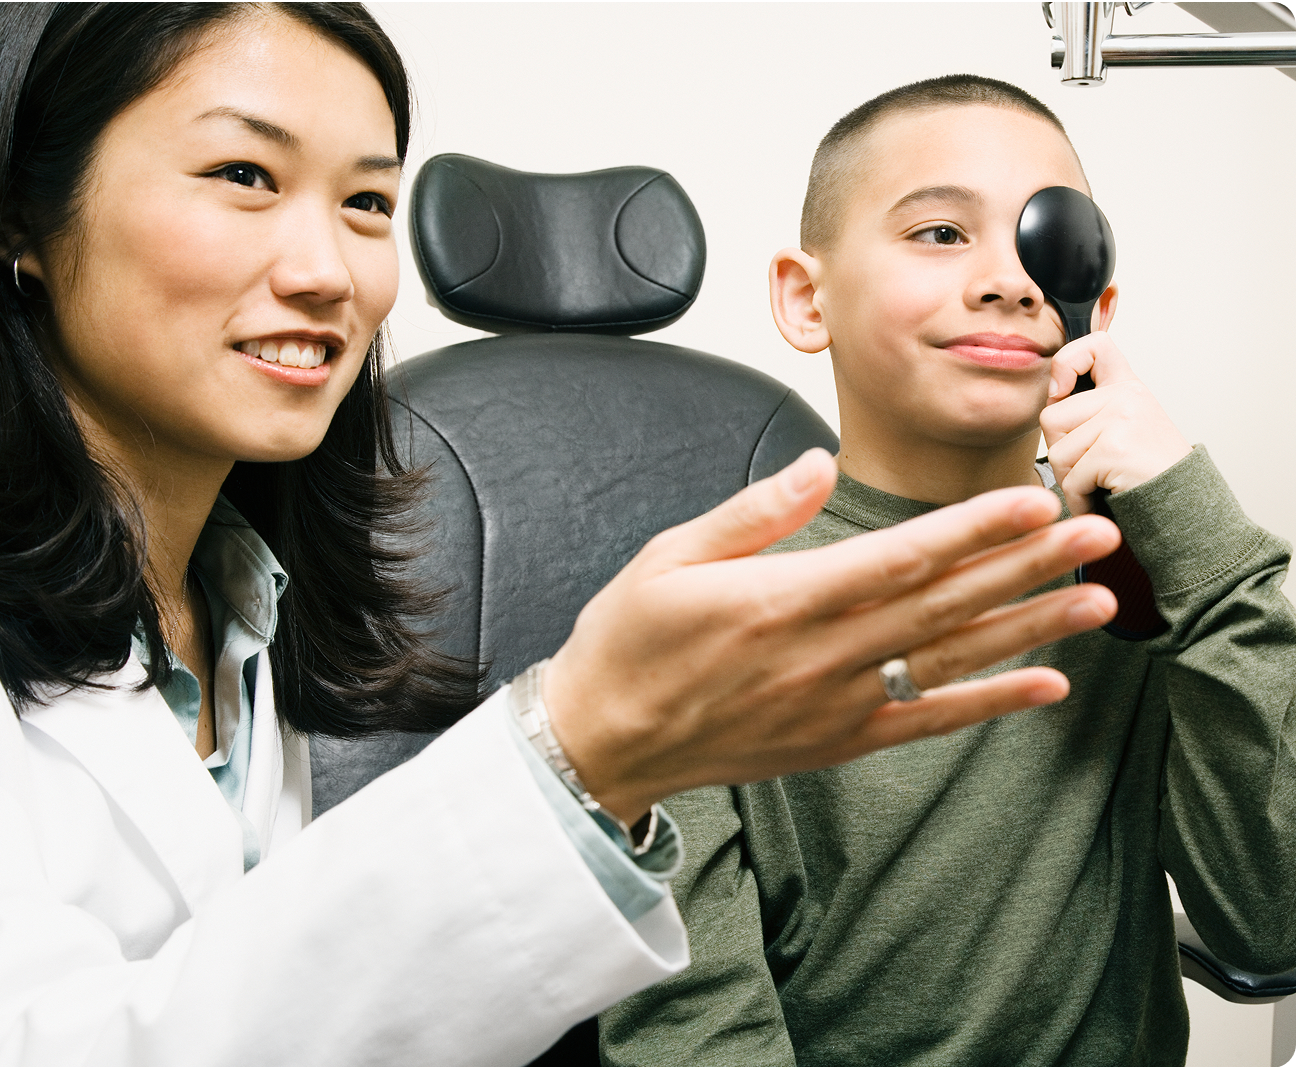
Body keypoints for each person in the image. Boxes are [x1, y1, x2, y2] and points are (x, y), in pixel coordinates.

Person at [0, 8, 1125, 1064]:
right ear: (23, 216)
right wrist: (576, 746)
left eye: (367, 202)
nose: (328, 271)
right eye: (244, 175)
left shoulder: (245, 603)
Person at [599, 76, 1296, 1067]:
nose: (1009, 279)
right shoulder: (709, 620)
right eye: (940, 233)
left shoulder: (1151, 579)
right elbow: (692, 1025)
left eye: (1048, 244)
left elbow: (1273, 928)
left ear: (1093, 311)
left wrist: (1199, 537)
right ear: (806, 297)